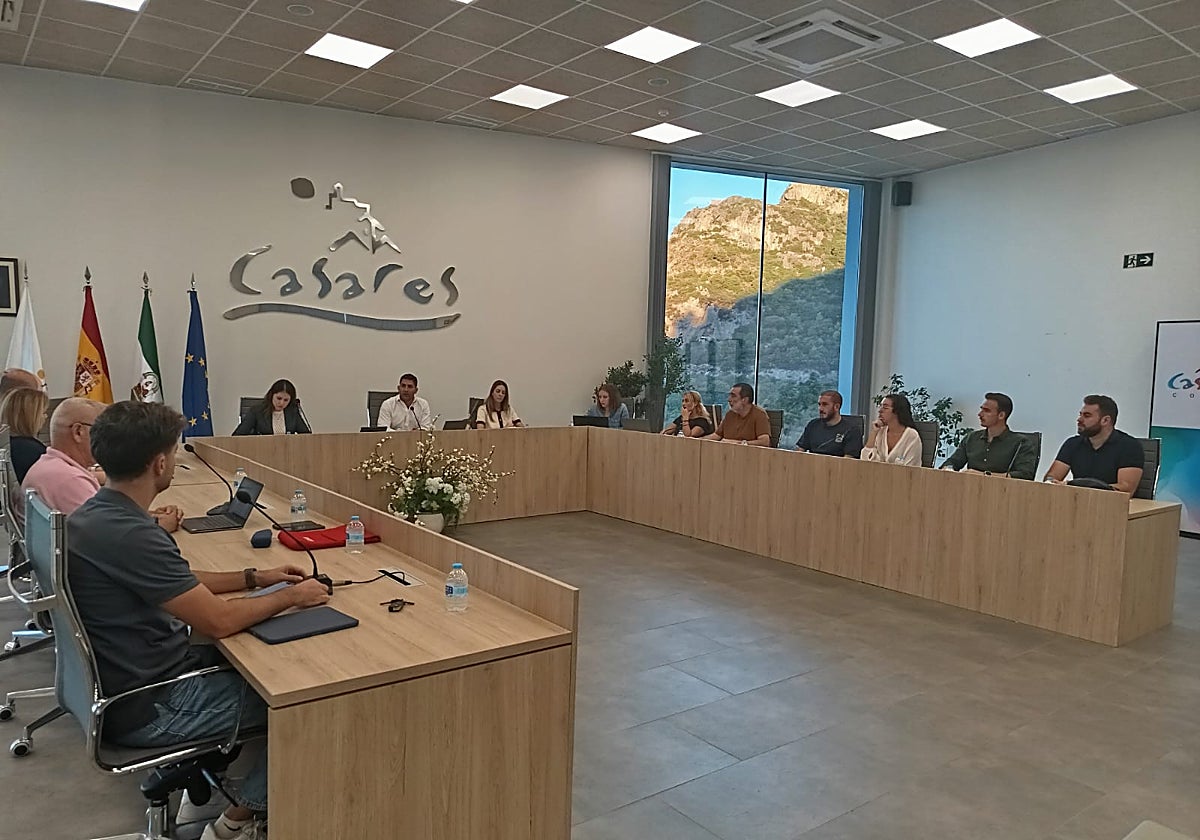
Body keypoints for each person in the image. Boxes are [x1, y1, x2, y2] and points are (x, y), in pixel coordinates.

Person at [67, 401, 330, 840]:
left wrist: (255, 577)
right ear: (160, 463)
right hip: (154, 705)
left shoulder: (97, 514)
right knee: (313, 701)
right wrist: (292, 595)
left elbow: (178, 579)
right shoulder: (134, 533)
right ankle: (237, 823)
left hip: (131, 686)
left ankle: (223, 779)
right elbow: (219, 621)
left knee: (262, 663)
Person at [19, 398, 183, 529]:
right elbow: (112, 531)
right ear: (78, 432)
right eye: (100, 429)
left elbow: (111, 518)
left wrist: (149, 515)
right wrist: (161, 524)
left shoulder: (54, 466)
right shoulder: (68, 480)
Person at [1043, 394, 1144, 495]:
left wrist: (1074, 485)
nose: (1079, 419)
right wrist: (1051, 482)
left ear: (1105, 420)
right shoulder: (1072, 444)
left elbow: (1125, 489)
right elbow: (1052, 476)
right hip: (1078, 500)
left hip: (1112, 503)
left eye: (1087, 416)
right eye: (1080, 414)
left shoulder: (1130, 446)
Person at [940, 392, 1037, 479]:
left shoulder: (1021, 443)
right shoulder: (971, 438)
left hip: (1004, 491)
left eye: (986, 411)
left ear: (1001, 415)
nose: (980, 414)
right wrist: (948, 469)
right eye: (981, 409)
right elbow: (952, 462)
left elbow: (1025, 474)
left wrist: (985, 475)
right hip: (969, 489)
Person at [795, 390, 862, 457]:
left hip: (837, 463)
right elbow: (800, 451)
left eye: (825, 404)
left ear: (836, 407)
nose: (820, 409)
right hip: (813, 462)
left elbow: (848, 460)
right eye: (819, 404)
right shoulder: (813, 425)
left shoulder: (852, 430)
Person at [232, 379, 311, 436]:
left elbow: (306, 436)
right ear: (272, 395)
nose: (281, 403)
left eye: (286, 400)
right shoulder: (256, 411)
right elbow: (237, 436)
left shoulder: (293, 411)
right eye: (279, 398)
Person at [3, 386, 49, 482]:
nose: (45, 417)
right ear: (29, 417)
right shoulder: (31, 450)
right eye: (43, 412)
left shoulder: (8, 444)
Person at [861, 393, 922, 466]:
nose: (880, 411)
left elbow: (909, 468)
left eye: (885, 408)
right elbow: (865, 461)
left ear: (897, 412)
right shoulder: (880, 432)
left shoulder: (912, 436)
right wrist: (874, 432)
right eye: (880, 406)